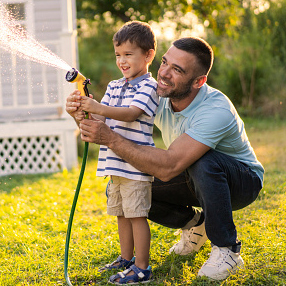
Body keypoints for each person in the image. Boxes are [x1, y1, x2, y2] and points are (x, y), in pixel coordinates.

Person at [66, 36, 264, 281]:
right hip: (191, 174)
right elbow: (110, 124)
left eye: (177, 70)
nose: (164, 74)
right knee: (127, 185)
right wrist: (81, 114)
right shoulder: (157, 94)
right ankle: (195, 224)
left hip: (241, 182)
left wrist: (110, 138)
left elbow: (169, 166)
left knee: (204, 161)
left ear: (199, 81)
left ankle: (227, 249)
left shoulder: (215, 110)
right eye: (164, 62)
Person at [71, 21, 159, 284]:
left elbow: (131, 113)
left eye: (128, 54)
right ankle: (126, 259)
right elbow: (102, 122)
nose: (122, 60)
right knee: (121, 214)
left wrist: (96, 106)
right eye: (118, 55)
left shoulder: (149, 86)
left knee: (136, 215)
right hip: (115, 164)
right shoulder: (114, 85)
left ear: (148, 55)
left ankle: (142, 267)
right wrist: (81, 109)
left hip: (135, 164)